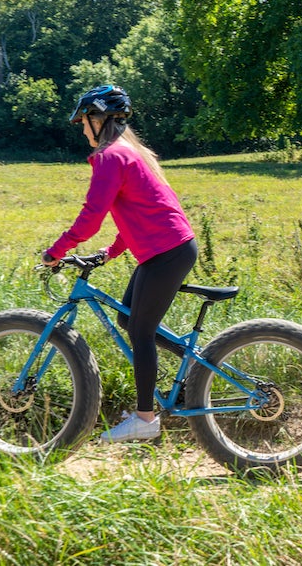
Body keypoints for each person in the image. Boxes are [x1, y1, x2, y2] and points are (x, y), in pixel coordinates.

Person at [43, 85, 198, 443]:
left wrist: (56, 250)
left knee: (141, 331)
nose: (83, 130)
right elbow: (141, 213)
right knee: (128, 318)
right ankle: (190, 359)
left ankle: (145, 420)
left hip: (167, 251)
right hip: (167, 248)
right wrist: (108, 253)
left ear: (100, 120)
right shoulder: (134, 155)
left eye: (84, 121)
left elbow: (92, 216)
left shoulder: (112, 156)